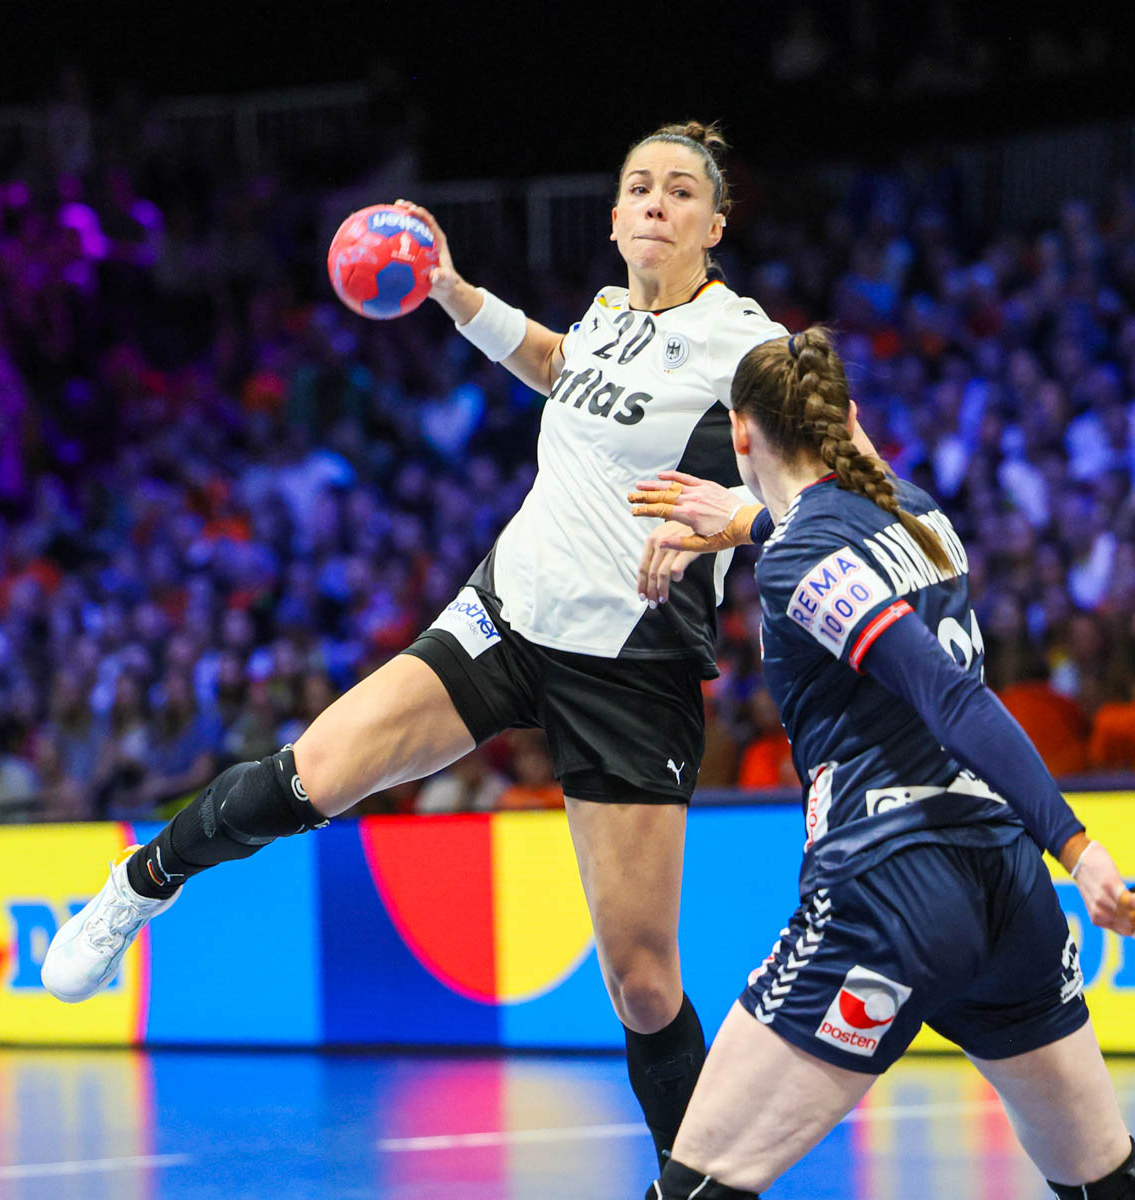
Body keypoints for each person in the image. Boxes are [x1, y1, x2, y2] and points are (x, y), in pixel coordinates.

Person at [42, 120, 787, 1167]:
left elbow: (855, 496)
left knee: (643, 983)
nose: (656, 203)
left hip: (632, 665)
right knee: (314, 773)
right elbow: (556, 366)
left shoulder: (752, 350)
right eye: (638, 188)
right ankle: (139, 885)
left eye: (679, 192)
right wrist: (447, 288)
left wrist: (735, 517)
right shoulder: (611, 316)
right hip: (507, 615)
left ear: (714, 224)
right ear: (615, 218)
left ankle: (703, 1189)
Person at [629, 328, 1135, 1199]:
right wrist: (744, 522)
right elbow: (831, 526)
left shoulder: (796, 557)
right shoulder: (923, 513)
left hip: (889, 892)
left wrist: (1080, 848)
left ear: (741, 436)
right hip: (1007, 892)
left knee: (697, 1186)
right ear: (849, 418)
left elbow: (948, 697)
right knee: (1113, 1185)